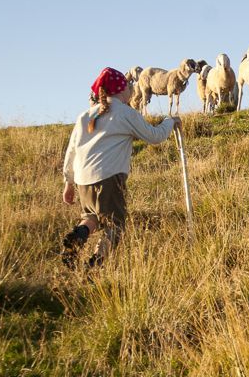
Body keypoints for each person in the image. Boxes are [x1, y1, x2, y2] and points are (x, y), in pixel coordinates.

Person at [60, 67, 179, 267]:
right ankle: (95, 264)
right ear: (120, 90)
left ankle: (78, 236)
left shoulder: (85, 116)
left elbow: (71, 151)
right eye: (127, 86)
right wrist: (170, 121)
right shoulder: (124, 113)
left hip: (83, 179)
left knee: (91, 217)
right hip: (109, 177)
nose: (131, 89)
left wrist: (68, 183)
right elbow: (155, 136)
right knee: (115, 225)